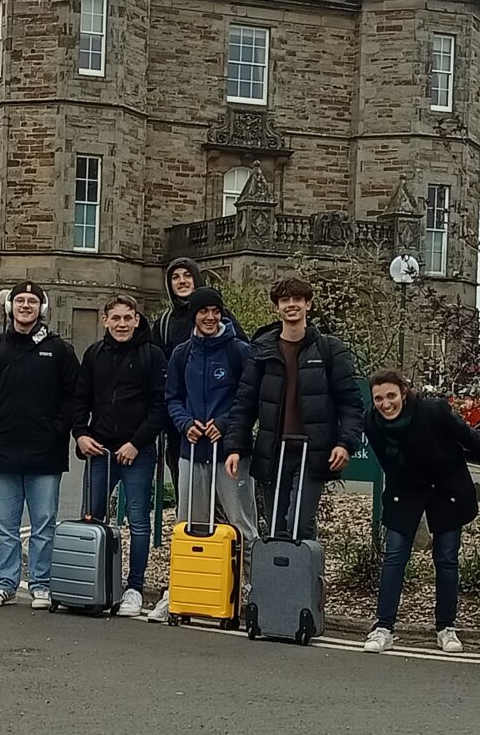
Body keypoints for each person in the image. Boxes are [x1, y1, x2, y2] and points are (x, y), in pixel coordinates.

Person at [361, 369, 480, 654]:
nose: (385, 403)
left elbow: (468, 436)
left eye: (391, 395)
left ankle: (446, 627)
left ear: (404, 392)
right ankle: (383, 627)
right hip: (406, 487)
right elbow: (386, 462)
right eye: (378, 398)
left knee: (446, 558)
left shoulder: (434, 412)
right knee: (394, 556)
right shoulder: (371, 421)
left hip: (446, 485)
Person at [0, 281, 79, 610]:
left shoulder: (59, 350)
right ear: (10, 306)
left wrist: (59, 428)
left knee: (44, 523)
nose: (26, 306)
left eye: (32, 301)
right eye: (20, 300)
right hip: (1, 451)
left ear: (42, 308)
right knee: (5, 524)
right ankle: (4, 583)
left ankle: (41, 584)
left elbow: (73, 395)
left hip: (45, 452)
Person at [225, 276, 363, 541]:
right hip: (274, 450)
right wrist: (234, 447)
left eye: (297, 299)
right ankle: (279, 582)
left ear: (308, 304)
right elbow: (244, 404)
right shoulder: (262, 351)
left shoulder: (329, 350)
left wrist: (345, 443)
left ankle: (308, 581)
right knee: (275, 527)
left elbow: (350, 402)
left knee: (300, 525)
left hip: (311, 452)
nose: (291, 305)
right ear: (277, 307)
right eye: (285, 300)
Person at [157, 284, 259, 621]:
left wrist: (225, 422)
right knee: (189, 525)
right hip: (192, 451)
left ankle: (255, 591)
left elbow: (250, 399)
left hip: (231, 453)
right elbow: (172, 397)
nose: (211, 317)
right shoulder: (182, 353)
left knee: (242, 525)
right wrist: (185, 422)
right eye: (204, 311)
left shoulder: (239, 352)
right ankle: (184, 590)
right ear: (195, 316)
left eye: (216, 311)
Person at [72, 294, 168, 618]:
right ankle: (93, 583)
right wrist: (80, 434)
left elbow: (160, 407)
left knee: (138, 522)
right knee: (92, 518)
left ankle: (134, 589)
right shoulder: (94, 354)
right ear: (105, 321)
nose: (122, 324)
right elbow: (80, 399)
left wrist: (137, 443)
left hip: (136, 452)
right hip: (99, 450)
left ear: (137, 320)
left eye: (128, 318)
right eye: (116, 318)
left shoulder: (152, 355)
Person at [151, 257, 244, 492]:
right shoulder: (164, 322)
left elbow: (245, 370)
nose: (182, 281)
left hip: (219, 417)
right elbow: (159, 371)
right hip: (181, 421)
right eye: (175, 277)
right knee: (188, 489)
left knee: (225, 492)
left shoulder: (222, 318)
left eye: (187, 275)